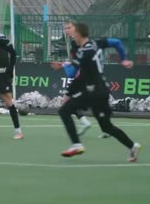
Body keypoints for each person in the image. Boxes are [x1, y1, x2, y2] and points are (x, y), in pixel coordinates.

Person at [58, 23, 141, 162]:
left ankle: (76, 144)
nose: (73, 36)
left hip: (93, 90)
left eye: (74, 33)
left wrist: (65, 70)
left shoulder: (82, 51)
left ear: (78, 34)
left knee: (64, 111)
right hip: (103, 90)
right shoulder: (96, 43)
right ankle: (133, 146)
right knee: (106, 126)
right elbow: (116, 42)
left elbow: (75, 75)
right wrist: (124, 58)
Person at [51, 19, 133, 138]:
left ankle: (85, 127)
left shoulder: (84, 44)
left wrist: (64, 65)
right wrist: (65, 63)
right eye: (65, 28)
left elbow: (75, 69)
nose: (66, 31)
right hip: (87, 79)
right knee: (70, 102)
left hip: (85, 79)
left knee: (67, 104)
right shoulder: (77, 44)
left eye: (69, 28)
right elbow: (78, 61)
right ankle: (97, 125)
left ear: (77, 29)